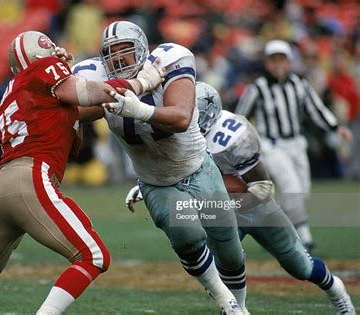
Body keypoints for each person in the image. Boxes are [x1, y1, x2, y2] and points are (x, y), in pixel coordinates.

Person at [0, 30, 165, 315]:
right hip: (31, 178)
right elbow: (92, 93)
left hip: (2, 185)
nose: (58, 51)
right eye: (51, 47)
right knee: (94, 256)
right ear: (41, 54)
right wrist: (143, 81)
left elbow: (81, 108)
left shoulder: (16, 89)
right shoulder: (42, 70)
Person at [126, 82, 356, 314]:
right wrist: (147, 187)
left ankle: (336, 290)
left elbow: (263, 187)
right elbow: (173, 172)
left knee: (300, 266)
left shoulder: (234, 134)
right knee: (221, 266)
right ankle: (237, 309)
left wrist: (224, 199)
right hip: (217, 208)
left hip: (255, 208)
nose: (187, 115)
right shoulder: (178, 133)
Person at [74, 21, 247, 314]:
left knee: (228, 248)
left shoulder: (170, 59)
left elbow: (180, 118)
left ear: (142, 49)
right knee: (188, 236)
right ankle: (227, 303)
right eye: (110, 52)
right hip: (156, 181)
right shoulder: (93, 75)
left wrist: (138, 109)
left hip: (197, 168)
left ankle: (239, 305)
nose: (117, 58)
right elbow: (75, 111)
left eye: (124, 50)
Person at [234, 39, 352, 253]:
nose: (278, 65)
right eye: (273, 60)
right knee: (292, 189)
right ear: (267, 63)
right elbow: (241, 117)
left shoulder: (299, 84)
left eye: (282, 60)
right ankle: (305, 240)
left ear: (288, 62)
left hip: (296, 144)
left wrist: (336, 127)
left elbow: (315, 109)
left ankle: (273, 229)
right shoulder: (257, 88)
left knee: (302, 192)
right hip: (272, 145)